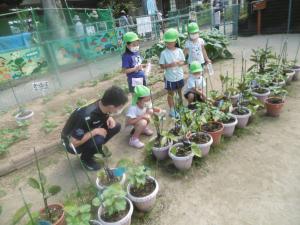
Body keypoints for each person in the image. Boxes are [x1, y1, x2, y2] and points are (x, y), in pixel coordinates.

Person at [61, 86, 128, 171]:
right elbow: (73, 143)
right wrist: (95, 131)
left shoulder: (102, 103)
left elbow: (103, 114)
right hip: (71, 141)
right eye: (120, 107)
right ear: (111, 106)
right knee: (98, 139)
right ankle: (86, 159)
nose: (120, 109)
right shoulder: (85, 116)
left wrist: (109, 117)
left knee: (115, 126)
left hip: (88, 129)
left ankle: (96, 149)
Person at [159, 28, 185, 118]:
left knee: (179, 91)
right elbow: (161, 65)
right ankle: (172, 110)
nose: (169, 44)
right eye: (167, 43)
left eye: (171, 42)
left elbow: (183, 62)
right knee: (170, 94)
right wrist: (169, 65)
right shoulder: (164, 53)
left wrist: (178, 63)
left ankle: (180, 107)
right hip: (169, 77)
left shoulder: (179, 51)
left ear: (175, 41)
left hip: (179, 76)